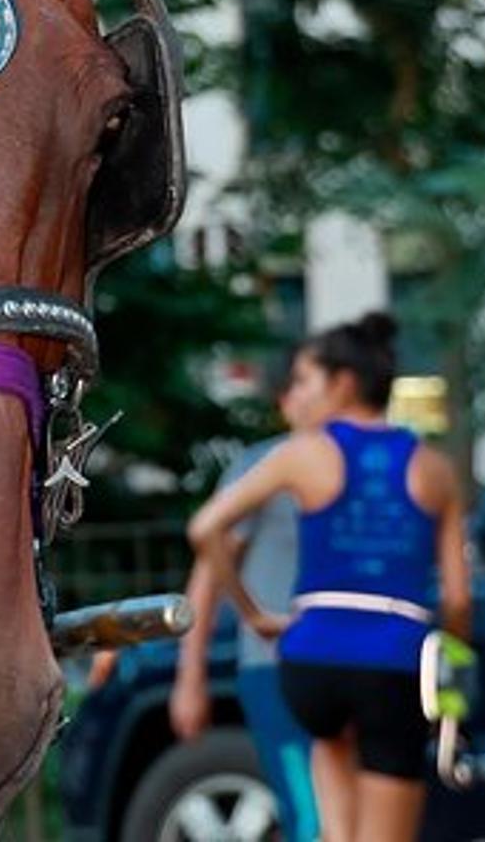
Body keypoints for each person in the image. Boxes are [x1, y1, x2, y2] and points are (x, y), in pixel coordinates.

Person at [188, 313, 471, 842]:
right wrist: (451, 661)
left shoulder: (302, 455)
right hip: (394, 660)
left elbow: (205, 527)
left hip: (311, 657)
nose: (293, 396)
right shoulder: (434, 468)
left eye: (303, 381)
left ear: (342, 383)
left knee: (332, 821)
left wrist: (253, 615)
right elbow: (458, 600)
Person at [171, 351, 332, 842]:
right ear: (286, 402)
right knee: (310, 815)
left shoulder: (365, 466)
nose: (325, 393)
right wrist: (190, 675)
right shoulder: (262, 466)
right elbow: (208, 570)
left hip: (348, 664)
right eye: (307, 383)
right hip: (274, 667)